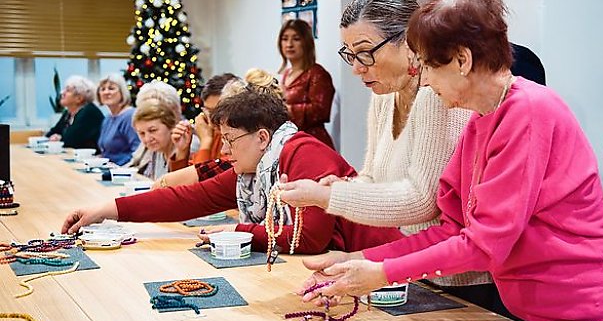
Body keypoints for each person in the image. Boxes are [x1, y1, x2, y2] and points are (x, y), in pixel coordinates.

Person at [295, 0, 603, 321]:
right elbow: (451, 228)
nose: (422, 80)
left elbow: (484, 243)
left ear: (462, 60)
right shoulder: (479, 119)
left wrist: (380, 273)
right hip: (523, 304)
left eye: (426, 67)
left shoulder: (530, 112)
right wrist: (358, 260)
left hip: (575, 308)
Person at [278, 0, 491, 305]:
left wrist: (329, 197)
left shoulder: (437, 95)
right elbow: (374, 177)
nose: (357, 67)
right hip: (413, 267)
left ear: (409, 41)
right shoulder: (385, 94)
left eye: (366, 52)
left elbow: (423, 200)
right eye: (350, 54)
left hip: (462, 281)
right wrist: (345, 187)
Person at [60, 84, 402, 255]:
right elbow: (185, 200)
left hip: (393, 275)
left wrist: (240, 232)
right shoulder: (251, 172)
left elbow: (310, 239)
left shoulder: (304, 154)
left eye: (230, 140)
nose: (224, 150)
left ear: (263, 137)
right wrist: (103, 211)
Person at [152, 69, 282, 189]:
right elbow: (182, 190)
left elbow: (202, 188)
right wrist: (182, 151)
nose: (214, 119)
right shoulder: (212, 131)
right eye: (208, 111)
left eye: (218, 111)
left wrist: (205, 144)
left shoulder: (239, 137)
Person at [278, 19, 336, 149]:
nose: (289, 44)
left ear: (306, 42)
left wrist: (285, 109)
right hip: (290, 142)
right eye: (285, 39)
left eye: (296, 39)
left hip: (313, 143)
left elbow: (320, 111)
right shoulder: (286, 74)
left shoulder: (317, 73)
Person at [127, 99, 183, 180]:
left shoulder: (184, 150)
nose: (147, 139)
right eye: (142, 133)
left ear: (170, 125)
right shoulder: (157, 149)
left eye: (153, 130)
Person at [46, 75, 104, 150]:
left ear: (79, 98)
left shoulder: (89, 112)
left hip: (91, 158)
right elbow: (51, 133)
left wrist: (60, 137)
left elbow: (71, 141)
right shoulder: (68, 113)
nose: (62, 93)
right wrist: (57, 137)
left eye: (68, 90)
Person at [96, 74, 140, 165]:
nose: (106, 92)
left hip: (124, 171)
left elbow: (138, 153)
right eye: (102, 89)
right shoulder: (107, 118)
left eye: (111, 88)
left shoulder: (130, 116)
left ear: (122, 92)